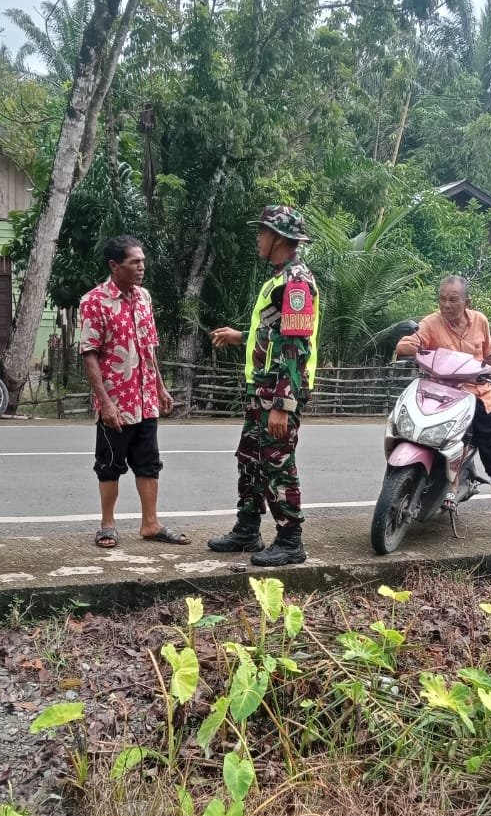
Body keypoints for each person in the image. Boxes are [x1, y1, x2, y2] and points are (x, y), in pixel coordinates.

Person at [207, 205, 321, 566]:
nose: (258, 238)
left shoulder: (296, 282)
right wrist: (241, 336)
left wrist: (282, 405)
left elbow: (296, 345)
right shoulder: (279, 278)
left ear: (279, 238)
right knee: (251, 460)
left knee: (277, 462)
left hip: (279, 391)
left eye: (263, 232)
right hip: (262, 387)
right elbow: (275, 333)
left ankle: (290, 540)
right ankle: (247, 529)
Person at [395, 276, 491, 544]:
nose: (446, 305)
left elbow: (489, 356)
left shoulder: (480, 321)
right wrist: (412, 346)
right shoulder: (431, 323)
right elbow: (406, 344)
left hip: (480, 395)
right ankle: (439, 485)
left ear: (466, 302)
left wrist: (487, 370)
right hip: (444, 396)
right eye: (442, 299)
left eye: (453, 300)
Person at [78, 235, 187, 549]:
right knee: (109, 465)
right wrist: (105, 402)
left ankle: (151, 524)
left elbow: (149, 348)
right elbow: (89, 354)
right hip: (116, 401)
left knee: (149, 462)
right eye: (134, 262)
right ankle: (107, 525)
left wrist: (160, 387)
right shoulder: (94, 301)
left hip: (146, 399)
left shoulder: (144, 298)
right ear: (115, 266)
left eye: (142, 261)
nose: (141, 267)